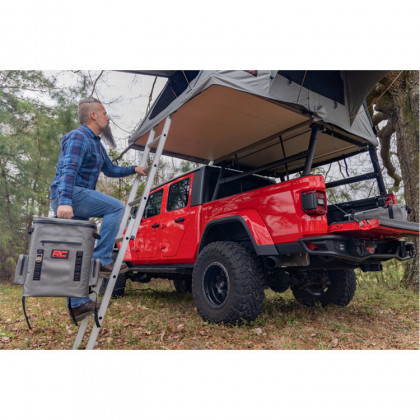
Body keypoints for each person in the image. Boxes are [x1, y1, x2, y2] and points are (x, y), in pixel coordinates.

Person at [50, 97, 148, 321]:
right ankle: (102, 258)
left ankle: (78, 304)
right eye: (104, 113)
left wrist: (135, 168)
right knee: (116, 207)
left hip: (77, 197)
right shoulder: (78, 137)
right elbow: (68, 170)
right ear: (93, 115)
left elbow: (111, 170)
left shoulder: (96, 143)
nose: (107, 117)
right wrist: (65, 200)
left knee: (79, 253)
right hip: (70, 194)